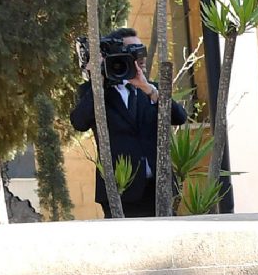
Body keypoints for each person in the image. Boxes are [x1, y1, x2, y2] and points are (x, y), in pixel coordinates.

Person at [69, 28, 188, 218]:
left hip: (159, 189)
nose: (139, 55)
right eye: (133, 49)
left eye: (141, 49)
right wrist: (98, 82)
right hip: (120, 191)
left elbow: (180, 117)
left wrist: (147, 88)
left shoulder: (150, 88)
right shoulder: (92, 93)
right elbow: (79, 122)